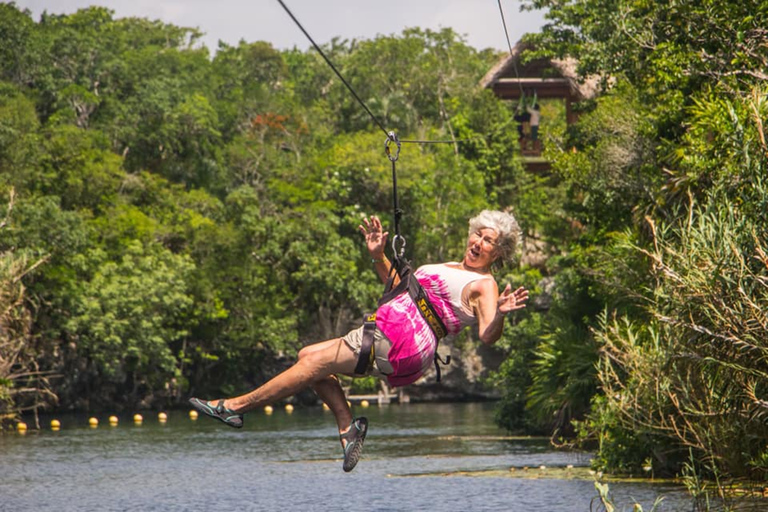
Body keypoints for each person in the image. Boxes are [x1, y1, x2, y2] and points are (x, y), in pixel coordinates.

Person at [189, 210, 529, 472]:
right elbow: (400, 287)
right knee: (307, 355)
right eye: (478, 235)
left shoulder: (486, 285)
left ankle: (234, 407)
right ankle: (348, 428)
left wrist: (499, 313)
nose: (479, 243)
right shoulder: (451, 265)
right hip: (399, 328)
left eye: (489, 242)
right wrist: (379, 255)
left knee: (313, 364)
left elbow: (487, 335)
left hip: (404, 338)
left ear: (498, 253)